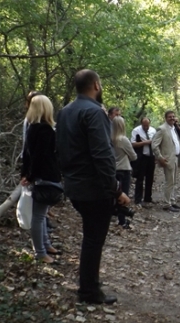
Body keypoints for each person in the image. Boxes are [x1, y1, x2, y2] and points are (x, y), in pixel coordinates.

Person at [55, 69, 130, 305]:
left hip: (74, 185)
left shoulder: (65, 111)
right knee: (93, 239)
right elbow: (102, 155)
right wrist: (116, 190)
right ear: (96, 85)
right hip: (94, 189)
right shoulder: (94, 112)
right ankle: (88, 291)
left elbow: (60, 149)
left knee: (90, 237)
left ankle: (89, 284)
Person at [20, 93, 62, 264]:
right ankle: (40, 252)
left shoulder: (33, 128)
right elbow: (38, 156)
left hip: (38, 176)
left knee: (42, 214)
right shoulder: (45, 130)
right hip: (44, 176)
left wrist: (25, 174)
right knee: (39, 216)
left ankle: (45, 245)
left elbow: (27, 154)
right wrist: (30, 176)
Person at [152, 110, 180, 212]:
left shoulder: (173, 128)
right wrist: (160, 157)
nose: (172, 118)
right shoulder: (162, 129)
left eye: (173, 116)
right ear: (165, 118)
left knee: (173, 182)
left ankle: (172, 201)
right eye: (170, 117)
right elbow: (154, 145)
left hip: (175, 158)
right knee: (169, 182)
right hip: (167, 159)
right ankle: (167, 204)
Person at [112, 116, 137, 229]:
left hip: (113, 169)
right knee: (123, 195)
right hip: (124, 169)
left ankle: (114, 216)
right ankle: (122, 221)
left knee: (114, 194)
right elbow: (134, 156)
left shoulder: (109, 139)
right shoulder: (123, 140)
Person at [131, 117, 156, 207]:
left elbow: (156, 142)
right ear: (141, 123)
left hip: (151, 157)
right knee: (140, 178)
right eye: (144, 125)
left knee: (150, 178)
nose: (146, 127)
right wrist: (145, 142)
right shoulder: (136, 131)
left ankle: (148, 197)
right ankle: (138, 199)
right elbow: (133, 144)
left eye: (147, 125)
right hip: (142, 157)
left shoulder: (153, 130)